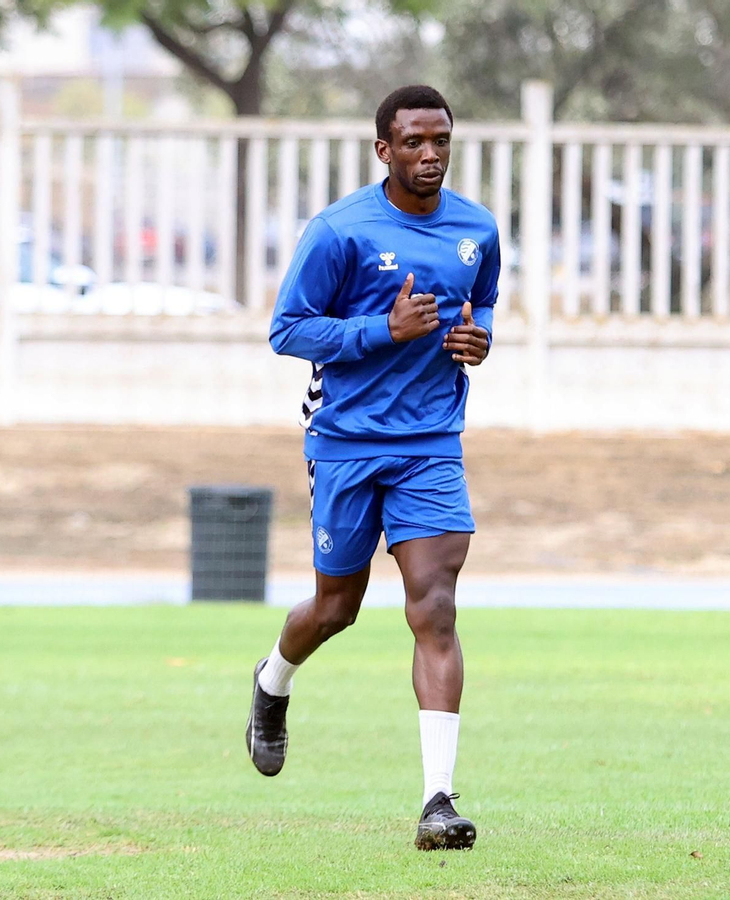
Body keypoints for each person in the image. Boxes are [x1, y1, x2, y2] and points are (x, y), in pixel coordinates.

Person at [246, 84, 498, 851]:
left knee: (434, 606)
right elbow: (288, 330)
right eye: (414, 142)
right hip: (346, 441)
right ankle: (272, 681)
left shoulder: (477, 229)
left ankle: (437, 802)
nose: (430, 154)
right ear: (384, 149)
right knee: (336, 609)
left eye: (441, 140)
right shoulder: (339, 231)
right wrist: (382, 331)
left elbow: (483, 302)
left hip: (430, 444)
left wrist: (477, 339)